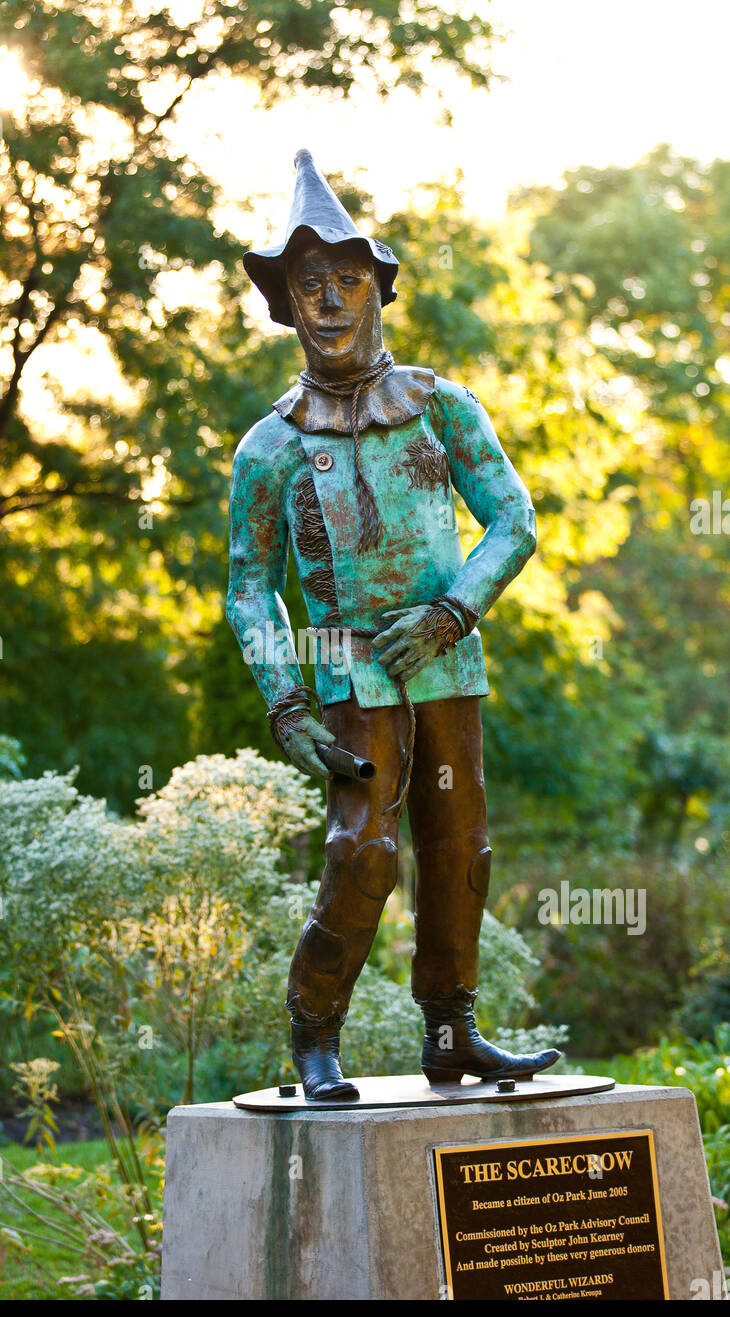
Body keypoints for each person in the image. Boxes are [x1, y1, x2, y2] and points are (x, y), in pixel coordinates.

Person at [227, 150, 560, 1100]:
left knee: (460, 847)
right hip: (346, 673)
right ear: (286, 304)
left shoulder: (439, 405)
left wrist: (458, 606)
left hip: (447, 661)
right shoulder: (271, 445)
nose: (329, 300)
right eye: (309, 284)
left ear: (379, 289)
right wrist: (284, 700)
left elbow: (515, 518)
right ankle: (314, 1032)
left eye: (347, 281)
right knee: (362, 851)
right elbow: (249, 584)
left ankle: (451, 1030)